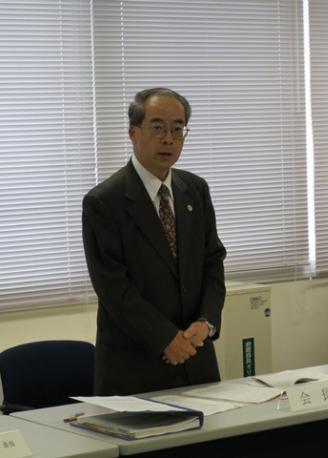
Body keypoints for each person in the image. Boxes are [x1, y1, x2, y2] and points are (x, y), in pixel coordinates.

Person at [82, 87, 226, 395]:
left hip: (196, 359)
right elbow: (113, 288)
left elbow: (213, 263)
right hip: (135, 367)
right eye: (158, 127)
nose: (169, 139)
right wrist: (165, 339)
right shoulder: (104, 201)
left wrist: (207, 323)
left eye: (178, 129)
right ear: (133, 133)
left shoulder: (195, 190)